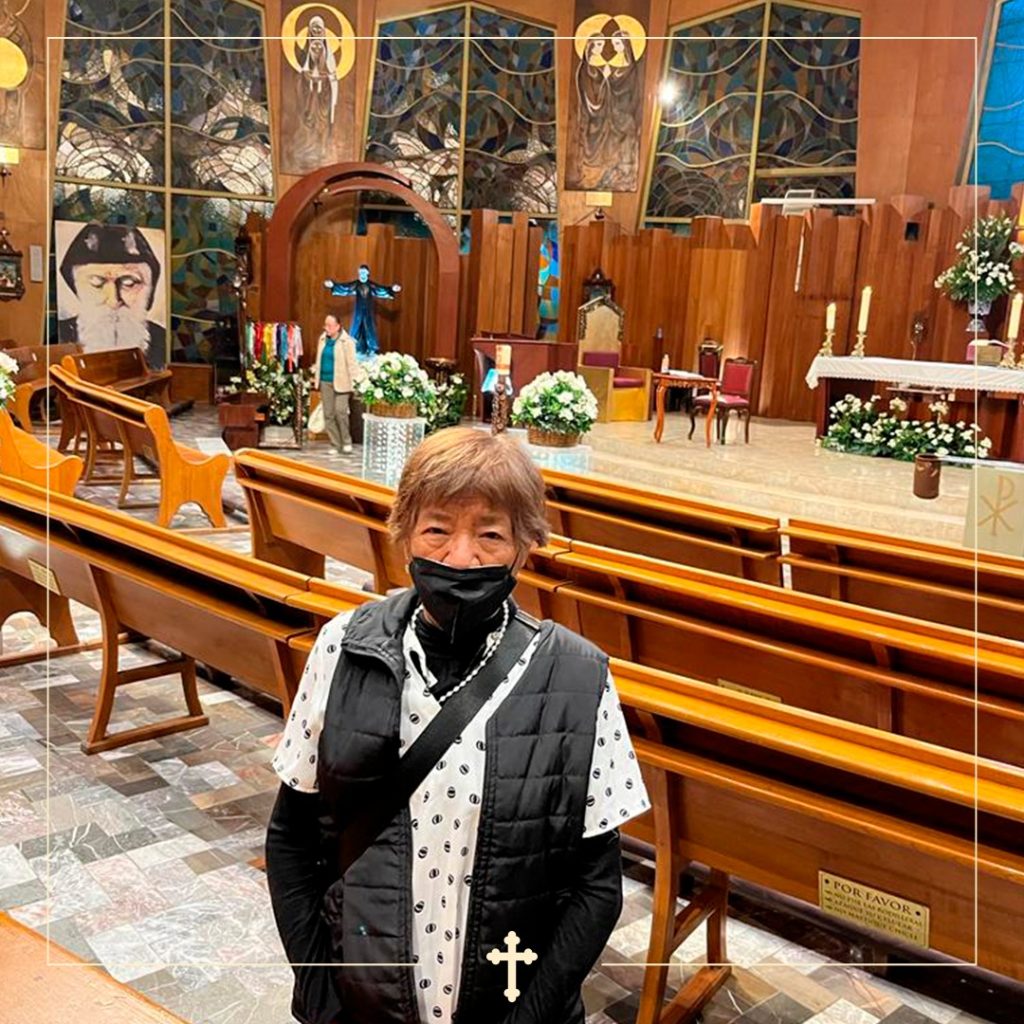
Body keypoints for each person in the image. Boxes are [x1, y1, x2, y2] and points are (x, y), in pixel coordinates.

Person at [266, 427, 650, 1024]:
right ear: (404, 534)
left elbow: (596, 886)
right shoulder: (343, 647)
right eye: (437, 530)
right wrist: (320, 999)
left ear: (525, 546)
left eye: (490, 534)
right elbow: (291, 838)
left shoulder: (577, 675)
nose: (461, 557)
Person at [57, 222, 165, 366]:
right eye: (96, 283)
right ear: (76, 287)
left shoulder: (163, 341)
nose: (113, 301)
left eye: (129, 283)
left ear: (150, 290)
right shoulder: (60, 338)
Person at [323, 264, 401, 358]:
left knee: (369, 329)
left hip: (368, 312)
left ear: (368, 273)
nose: (362, 275)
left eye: (364, 273)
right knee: (356, 329)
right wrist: (333, 285)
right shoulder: (356, 284)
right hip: (359, 312)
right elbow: (346, 288)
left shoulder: (371, 285)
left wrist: (391, 289)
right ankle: (354, 348)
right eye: (361, 273)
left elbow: (380, 290)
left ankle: (371, 349)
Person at [312, 313, 358, 454]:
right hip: (325, 381)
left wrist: (355, 382)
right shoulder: (322, 339)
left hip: (342, 382)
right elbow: (319, 360)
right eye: (325, 325)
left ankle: (346, 441)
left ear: (338, 327)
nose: (326, 328)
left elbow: (352, 364)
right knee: (328, 414)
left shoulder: (347, 342)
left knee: (340, 412)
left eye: (330, 325)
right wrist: (316, 378)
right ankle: (335, 443)